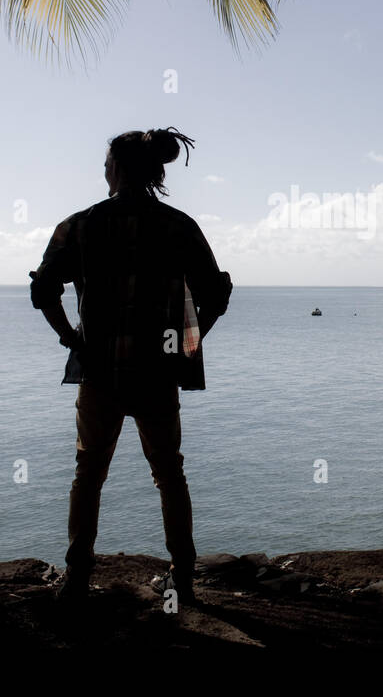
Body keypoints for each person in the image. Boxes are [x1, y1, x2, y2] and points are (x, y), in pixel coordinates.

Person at [29, 127, 232, 607]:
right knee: (170, 475)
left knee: (89, 473)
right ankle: (182, 580)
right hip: (158, 375)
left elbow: (43, 292)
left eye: (105, 164)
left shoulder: (80, 225)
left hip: (99, 373)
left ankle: (76, 577)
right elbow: (217, 295)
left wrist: (71, 339)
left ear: (116, 168)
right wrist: (186, 343)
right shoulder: (178, 227)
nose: (103, 172)